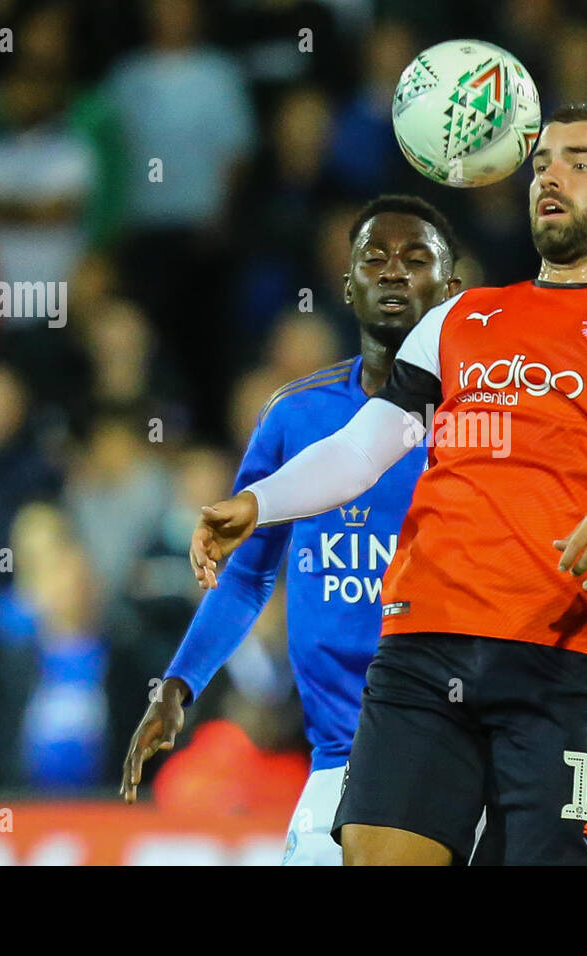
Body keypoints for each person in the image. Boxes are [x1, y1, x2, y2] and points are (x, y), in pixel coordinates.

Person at [192, 104, 587, 865]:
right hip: (419, 651)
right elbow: (365, 447)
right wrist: (259, 501)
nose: (550, 176)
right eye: (542, 162)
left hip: (560, 657)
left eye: (582, 162)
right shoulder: (462, 318)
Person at [120, 195, 463, 865]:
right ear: (346, 284)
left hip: (452, 753)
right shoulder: (295, 417)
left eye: (416, 260)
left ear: (450, 289)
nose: (393, 273)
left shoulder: (484, 423)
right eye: (374, 259)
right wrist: (178, 684)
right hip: (337, 761)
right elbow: (246, 575)